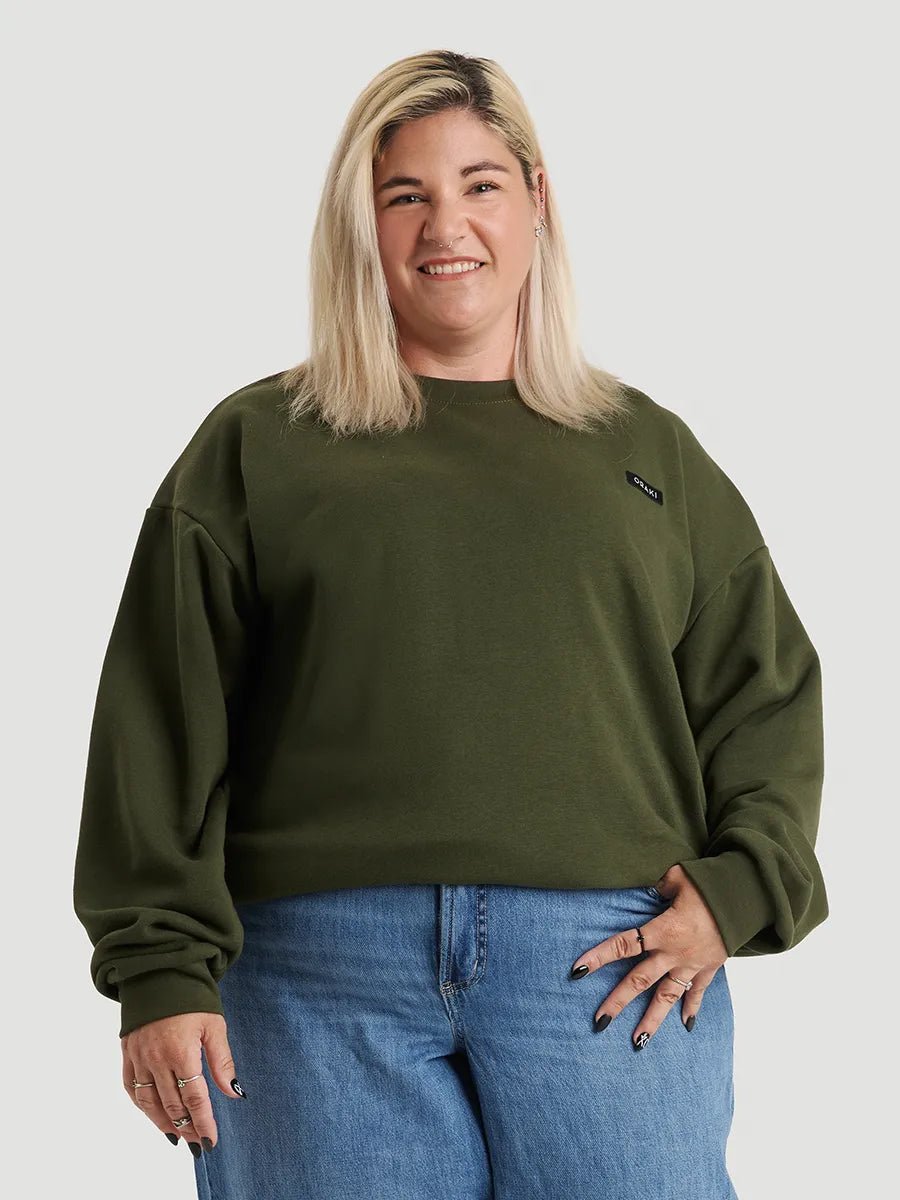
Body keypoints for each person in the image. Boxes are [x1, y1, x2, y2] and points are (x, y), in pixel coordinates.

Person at [73, 49, 828, 1199]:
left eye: (480, 184)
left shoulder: (648, 453)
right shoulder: (258, 446)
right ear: (361, 226)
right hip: (312, 974)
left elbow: (765, 696)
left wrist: (743, 892)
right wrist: (159, 971)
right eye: (404, 195)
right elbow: (159, 723)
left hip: (609, 961)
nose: (446, 226)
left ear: (537, 199)